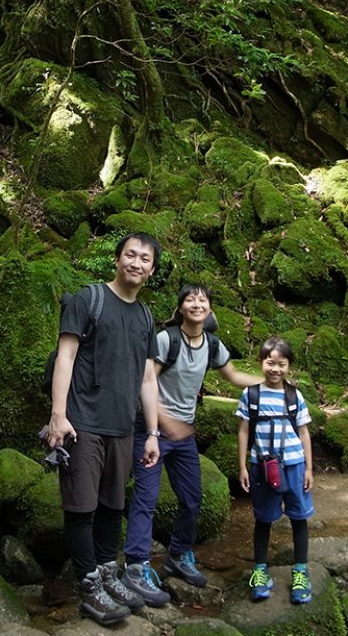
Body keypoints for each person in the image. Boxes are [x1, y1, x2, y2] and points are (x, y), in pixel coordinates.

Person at [46, 232, 162, 624]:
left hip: (122, 426)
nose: (136, 263)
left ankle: (107, 573)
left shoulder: (146, 317)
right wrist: (58, 415)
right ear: (117, 259)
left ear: (151, 270)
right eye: (130, 255)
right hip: (82, 422)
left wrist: (152, 432)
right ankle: (89, 586)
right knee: (81, 507)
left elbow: (147, 379)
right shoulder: (88, 300)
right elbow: (66, 355)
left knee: (113, 506)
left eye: (145, 259)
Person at [122, 283, 261, 606]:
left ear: (209, 310)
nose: (196, 304)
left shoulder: (212, 345)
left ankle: (178, 555)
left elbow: (234, 376)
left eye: (202, 300)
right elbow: (146, 381)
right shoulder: (165, 339)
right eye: (190, 299)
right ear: (181, 307)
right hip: (151, 431)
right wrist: (162, 425)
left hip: (184, 435)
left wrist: (273, 382)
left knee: (192, 498)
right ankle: (136, 567)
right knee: (146, 498)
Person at [236, 336, 314, 604]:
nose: (275, 369)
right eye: (270, 363)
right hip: (262, 466)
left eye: (281, 364)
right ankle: (259, 571)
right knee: (264, 518)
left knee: (299, 516)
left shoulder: (294, 395)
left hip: (293, 465)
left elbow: (304, 433)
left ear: (289, 366)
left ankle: (301, 572)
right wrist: (243, 466)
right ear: (261, 363)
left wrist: (309, 469)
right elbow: (244, 430)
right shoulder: (251, 394)